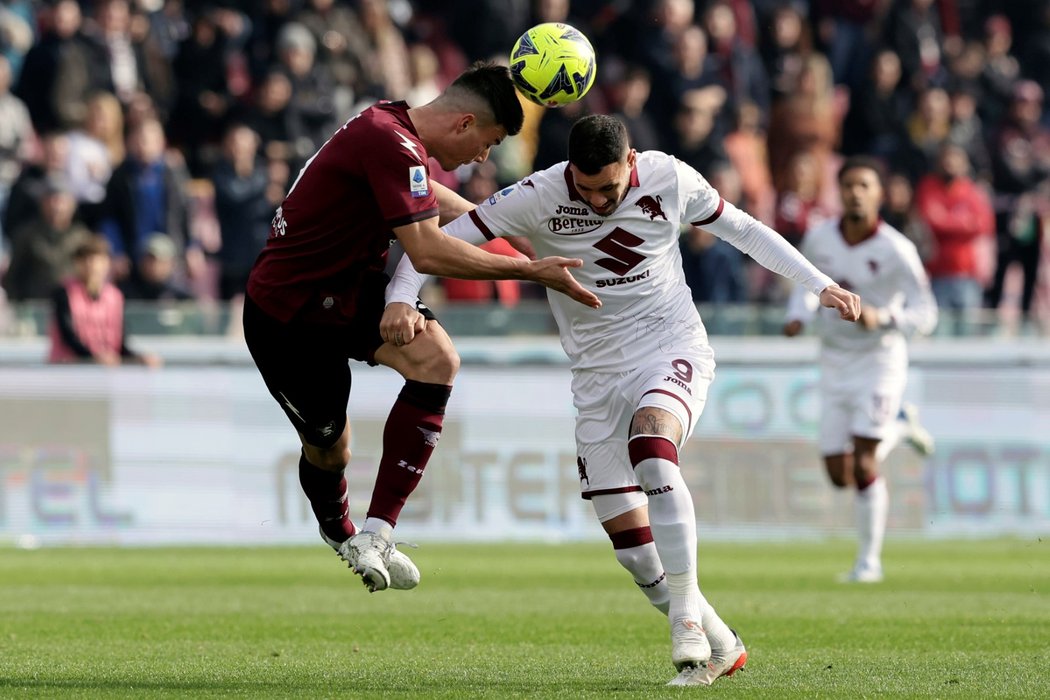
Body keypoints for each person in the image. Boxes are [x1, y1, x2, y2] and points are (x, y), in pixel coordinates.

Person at [384, 114, 860, 686]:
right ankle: (721, 641)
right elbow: (432, 245)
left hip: (670, 346)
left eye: (608, 189)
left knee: (653, 448)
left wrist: (819, 284)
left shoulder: (670, 178)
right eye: (586, 191)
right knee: (635, 554)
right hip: (595, 378)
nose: (599, 201)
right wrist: (402, 296)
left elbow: (746, 230)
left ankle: (685, 618)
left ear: (631, 163)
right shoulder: (537, 194)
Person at [242, 62, 598, 595]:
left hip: (347, 293)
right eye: (488, 143)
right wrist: (527, 271)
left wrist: (516, 238)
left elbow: (439, 199)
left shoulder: (394, 131)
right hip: (288, 314)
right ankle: (341, 534)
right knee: (330, 449)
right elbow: (428, 248)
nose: (482, 157)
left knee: (437, 359)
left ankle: (378, 532)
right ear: (465, 123)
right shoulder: (388, 139)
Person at [783, 157, 938, 584]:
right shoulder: (818, 239)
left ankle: (868, 563)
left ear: (879, 194)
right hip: (834, 360)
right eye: (848, 185)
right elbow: (804, 285)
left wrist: (885, 318)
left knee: (866, 464)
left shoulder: (896, 249)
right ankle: (901, 427)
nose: (855, 192)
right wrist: (799, 314)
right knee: (840, 475)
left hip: (879, 359)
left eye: (864, 185)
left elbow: (927, 314)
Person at [48, 233, 161, 367]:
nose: (91, 266)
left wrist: (139, 358)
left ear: (107, 263)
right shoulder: (64, 293)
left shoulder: (114, 297)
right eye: (85, 260)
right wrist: (93, 357)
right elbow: (68, 336)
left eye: (96, 260)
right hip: (69, 368)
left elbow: (119, 343)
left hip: (104, 371)